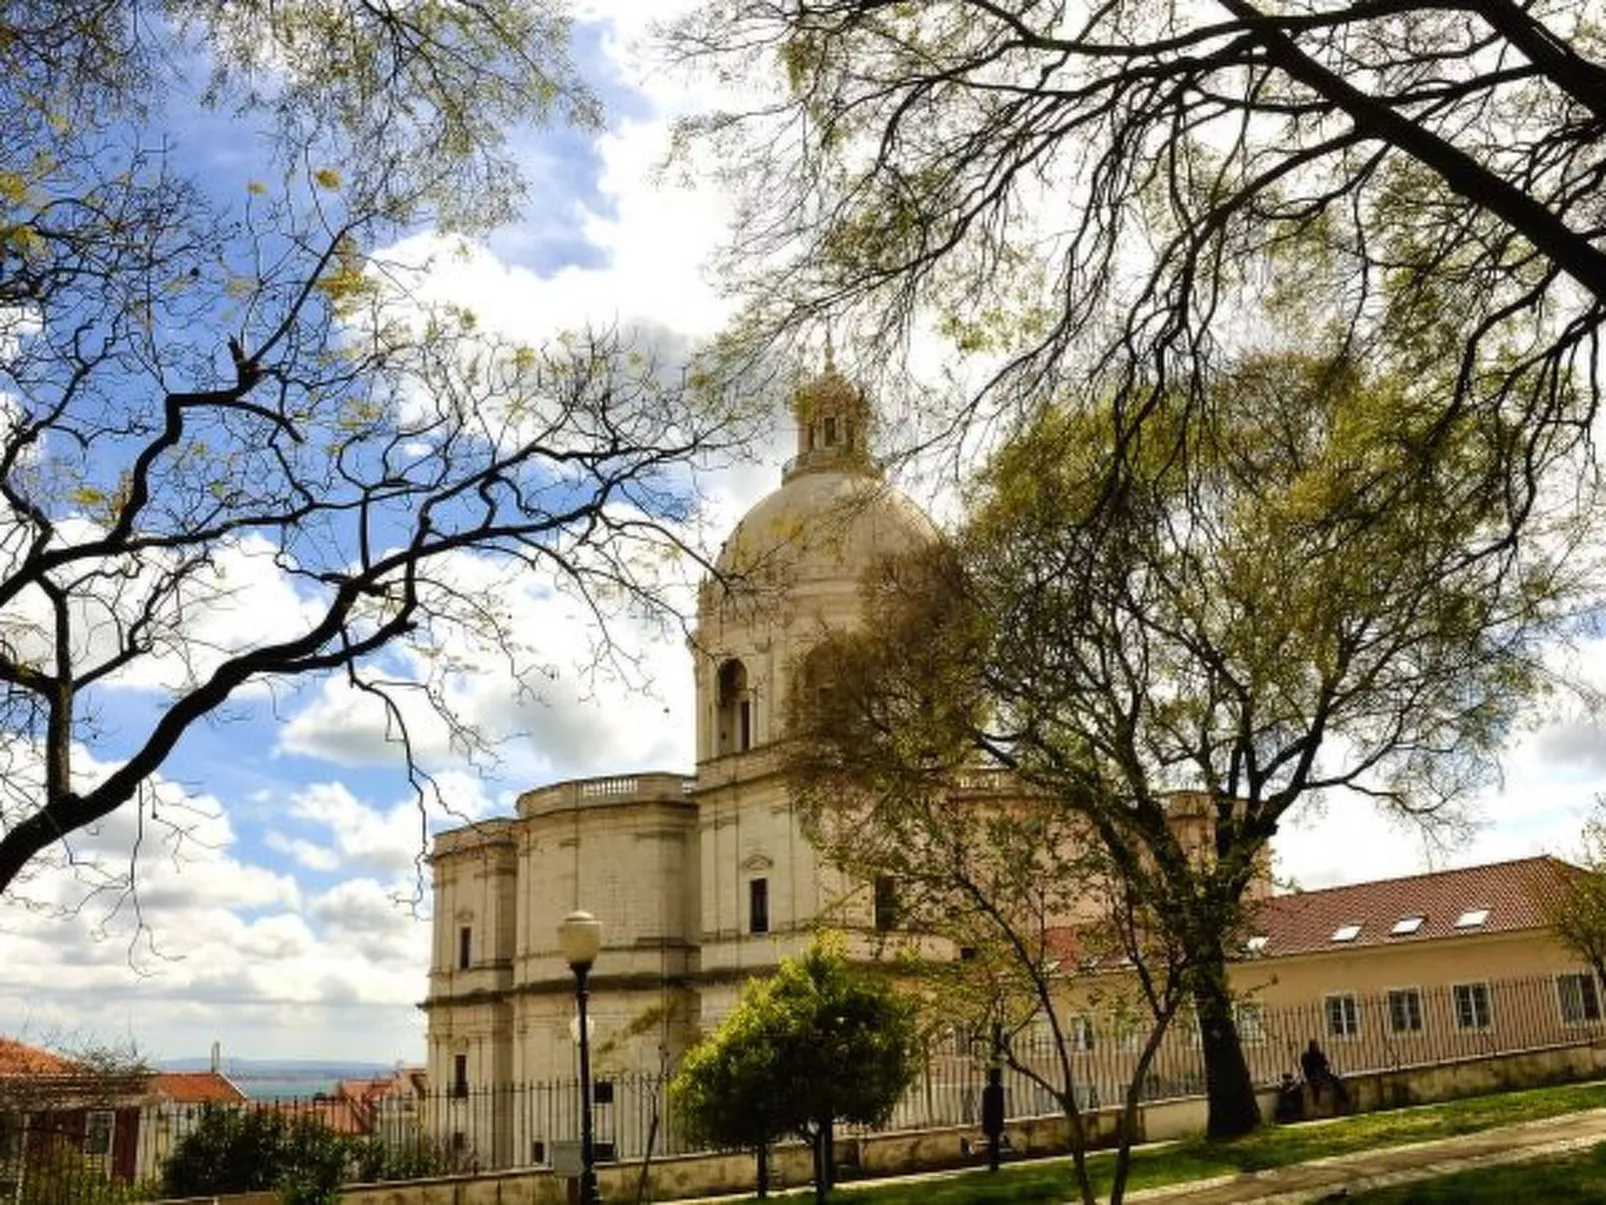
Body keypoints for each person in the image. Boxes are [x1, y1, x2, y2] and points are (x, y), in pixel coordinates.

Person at [1300, 1038, 1351, 1110]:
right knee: (1316, 1084)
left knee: (1336, 1080)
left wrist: (1326, 1068)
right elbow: (1306, 1068)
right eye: (1314, 1046)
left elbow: (1326, 1064)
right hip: (1312, 1075)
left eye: (1316, 1045)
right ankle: (1316, 1102)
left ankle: (1344, 1098)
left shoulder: (1320, 1054)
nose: (1316, 1047)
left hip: (1323, 1074)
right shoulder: (1306, 1056)